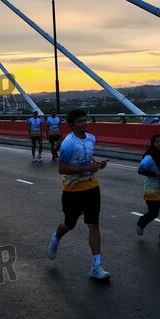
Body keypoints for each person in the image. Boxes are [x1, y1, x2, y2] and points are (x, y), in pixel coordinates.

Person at [46, 109, 111, 280]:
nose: (84, 123)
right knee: (70, 224)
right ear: (72, 125)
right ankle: (56, 238)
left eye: (85, 120)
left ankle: (96, 266)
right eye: (80, 121)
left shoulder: (91, 138)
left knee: (93, 224)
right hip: (72, 191)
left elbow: (88, 158)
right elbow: (62, 168)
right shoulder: (68, 143)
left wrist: (97, 164)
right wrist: (86, 168)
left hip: (91, 187)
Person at [136, 134, 160, 246]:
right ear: (153, 144)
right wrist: (155, 174)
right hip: (152, 190)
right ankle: (141, 223)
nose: (159, 144)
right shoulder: (149, 157)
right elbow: (140, 170)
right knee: (153, 213)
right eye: (157, 142)